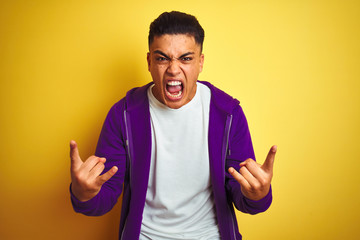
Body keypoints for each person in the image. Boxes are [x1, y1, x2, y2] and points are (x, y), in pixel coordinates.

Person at [70, 11, 276, 240]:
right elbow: (103, 198)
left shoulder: (227, 113)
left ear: (200, 62)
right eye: (162, 58)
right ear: (149, 62)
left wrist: (259, 195)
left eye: (186, 58)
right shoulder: (123, 115)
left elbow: (244, 197)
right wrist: (83, 194)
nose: (174, 69)